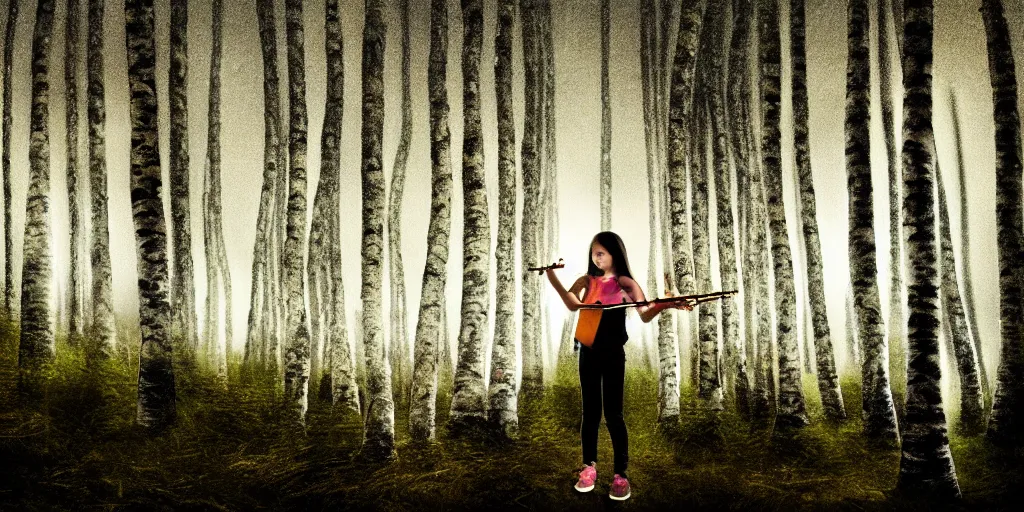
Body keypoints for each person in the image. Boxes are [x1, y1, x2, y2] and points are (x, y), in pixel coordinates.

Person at [544, 231, 692, 501]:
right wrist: (552, 276)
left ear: (615, 254)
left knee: (614, 414)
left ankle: (620, 475)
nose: (595, 257)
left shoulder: (625, 283)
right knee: (590, 412)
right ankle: (588, 467)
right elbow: (571, 303)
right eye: (593, 253)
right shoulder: (586, 281)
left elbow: (646, 313)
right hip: (588, 354)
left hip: (613, 355)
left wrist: (667, 304)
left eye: (601, 253)